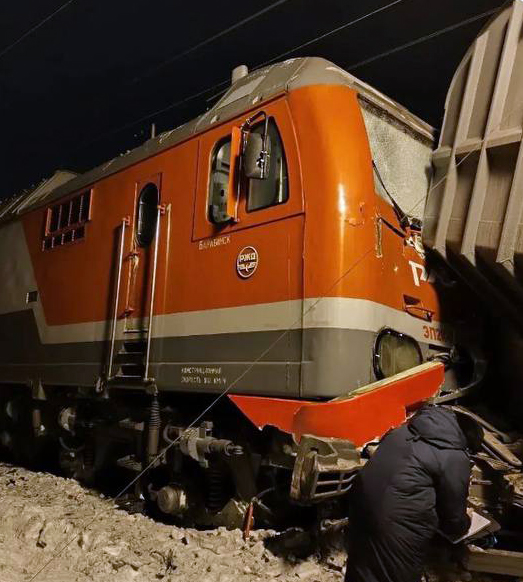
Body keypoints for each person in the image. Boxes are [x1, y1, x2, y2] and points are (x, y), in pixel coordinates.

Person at [345, 405, 484, 582]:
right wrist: (467, 521)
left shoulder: (403, 432)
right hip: (397, 523)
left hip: (362, 505)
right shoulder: (454, 455)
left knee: (363, 568)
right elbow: (453, 521)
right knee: (395, 574)